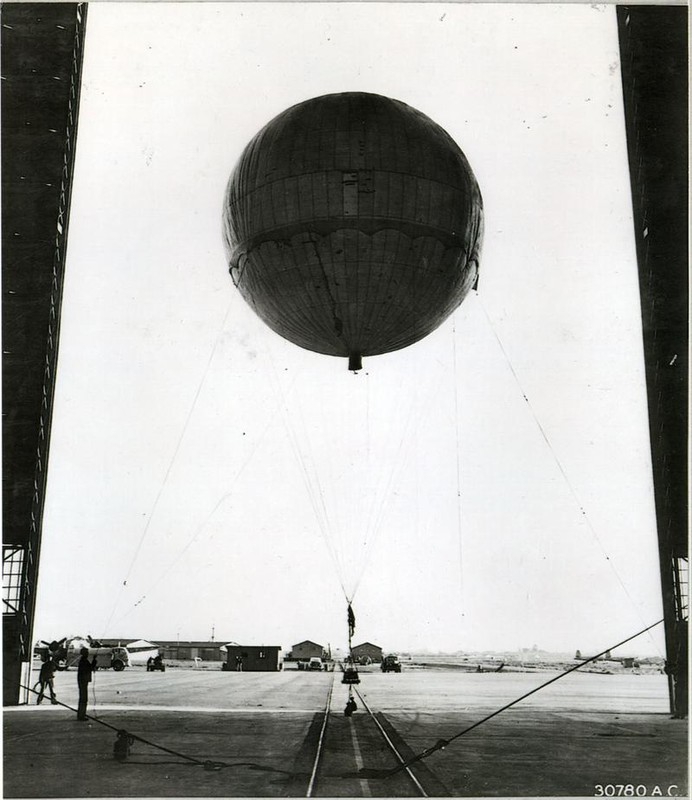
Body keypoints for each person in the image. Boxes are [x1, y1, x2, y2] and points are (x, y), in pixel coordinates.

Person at [77, 647, 97, 720]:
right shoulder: (84, 661)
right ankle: (81, 715)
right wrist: (94, 661)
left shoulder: (83, 660)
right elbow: (90, 668)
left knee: (82, 698)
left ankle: (81, 714)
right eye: (87, 652)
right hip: (83, 681)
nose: (88, 654)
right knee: (84, 699)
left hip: (82, 681)